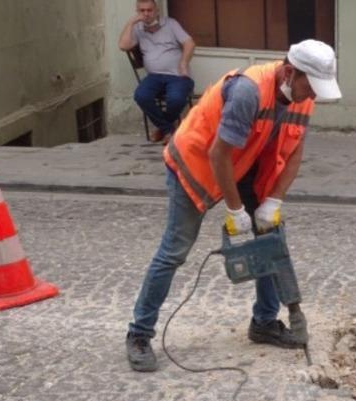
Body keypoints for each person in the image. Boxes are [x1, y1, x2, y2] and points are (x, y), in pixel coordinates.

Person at [125, 40, 342, 372]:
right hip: (197, 164)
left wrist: (274, 200)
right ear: (289, 72)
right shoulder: (248, 92)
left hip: (245, 164)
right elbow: (218, 155)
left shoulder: (302, 97)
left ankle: (264, 322)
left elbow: (295, 150)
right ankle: (139, 333)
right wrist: (234, 209)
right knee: (175, 250)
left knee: (269, 242)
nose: (312, 96)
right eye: (309, 87)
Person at [119, 0, 195, 143]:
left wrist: (184, 63)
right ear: (137, 12)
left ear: (157, 10)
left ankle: (163, 129)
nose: (146, 14)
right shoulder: (137, 28)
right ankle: (168, 130)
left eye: (149, 10)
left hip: (177, 75)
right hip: (154, 76)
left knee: (176, 99)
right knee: (141, 95)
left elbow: (189, 42)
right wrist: (131, 23)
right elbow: (123, 46)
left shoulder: (171, 23)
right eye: (142, 11)